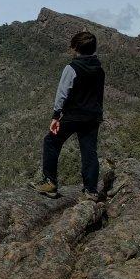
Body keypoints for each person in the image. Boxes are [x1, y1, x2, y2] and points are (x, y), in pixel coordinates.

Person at [35, 30, 104, 200]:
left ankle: (50, 182)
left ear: (76, 48)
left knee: (51, 141)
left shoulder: (71, 68)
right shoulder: (99, 70)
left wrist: (56, 116)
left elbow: (62, 93)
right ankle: (91, 190)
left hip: (73, 116)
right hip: (93, 117)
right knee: (89, 152)